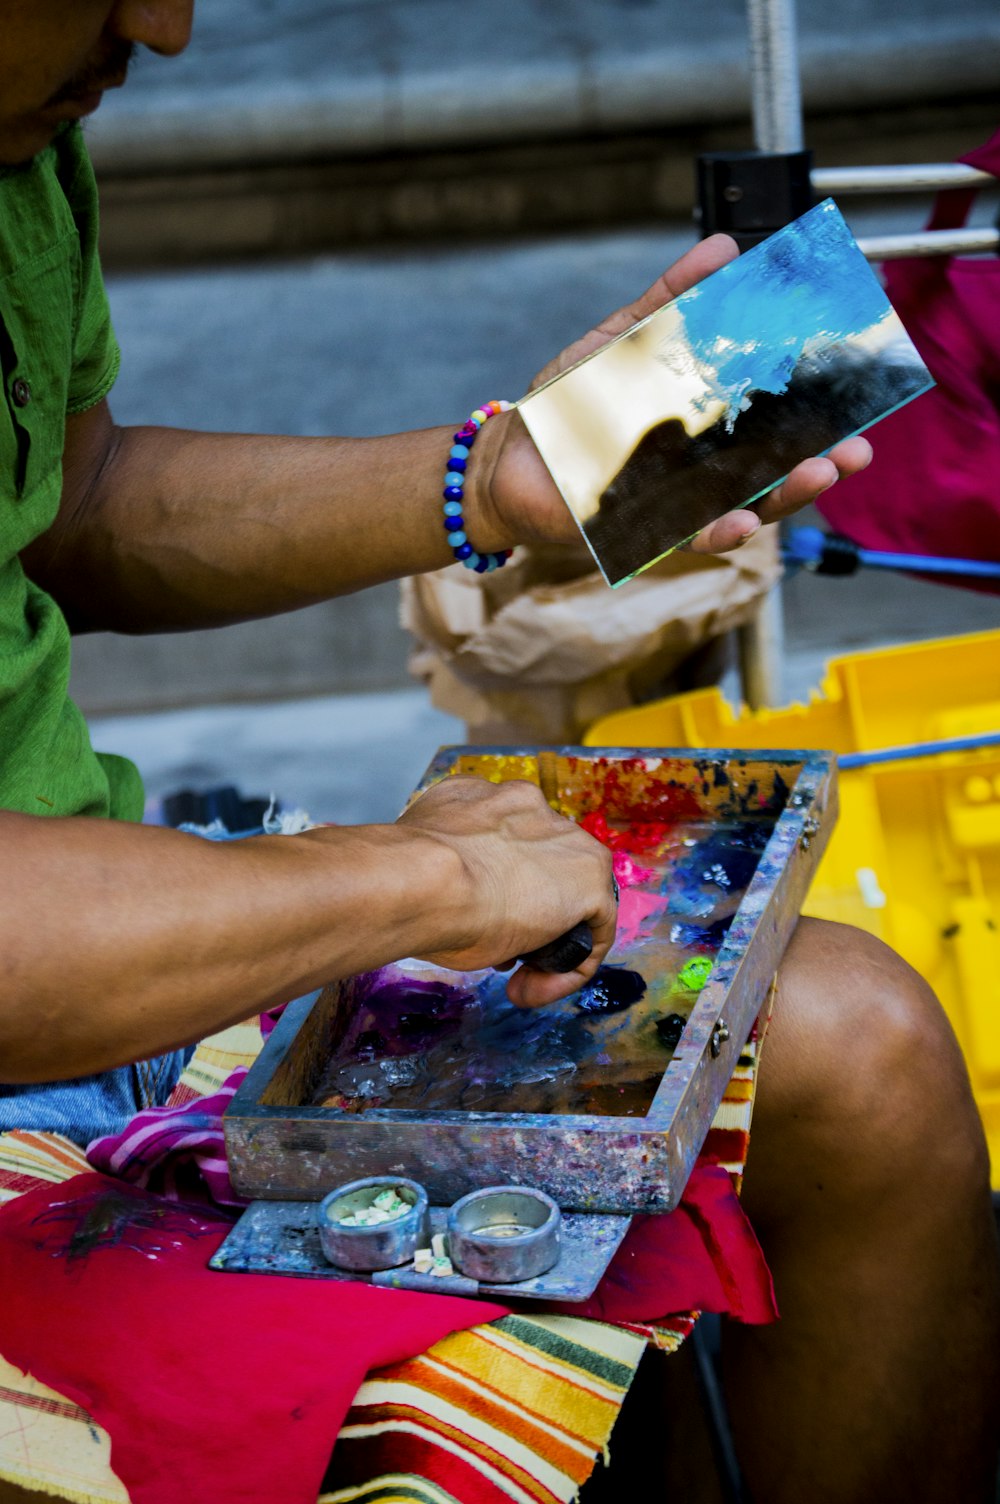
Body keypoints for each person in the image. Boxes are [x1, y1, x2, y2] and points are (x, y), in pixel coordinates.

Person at [0, 4, 997, 1501]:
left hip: (108, 950)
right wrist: (410, 882)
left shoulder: (24, 125)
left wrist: (500, 477)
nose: (169, 26)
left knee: (864, 1046)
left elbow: (68, 505)